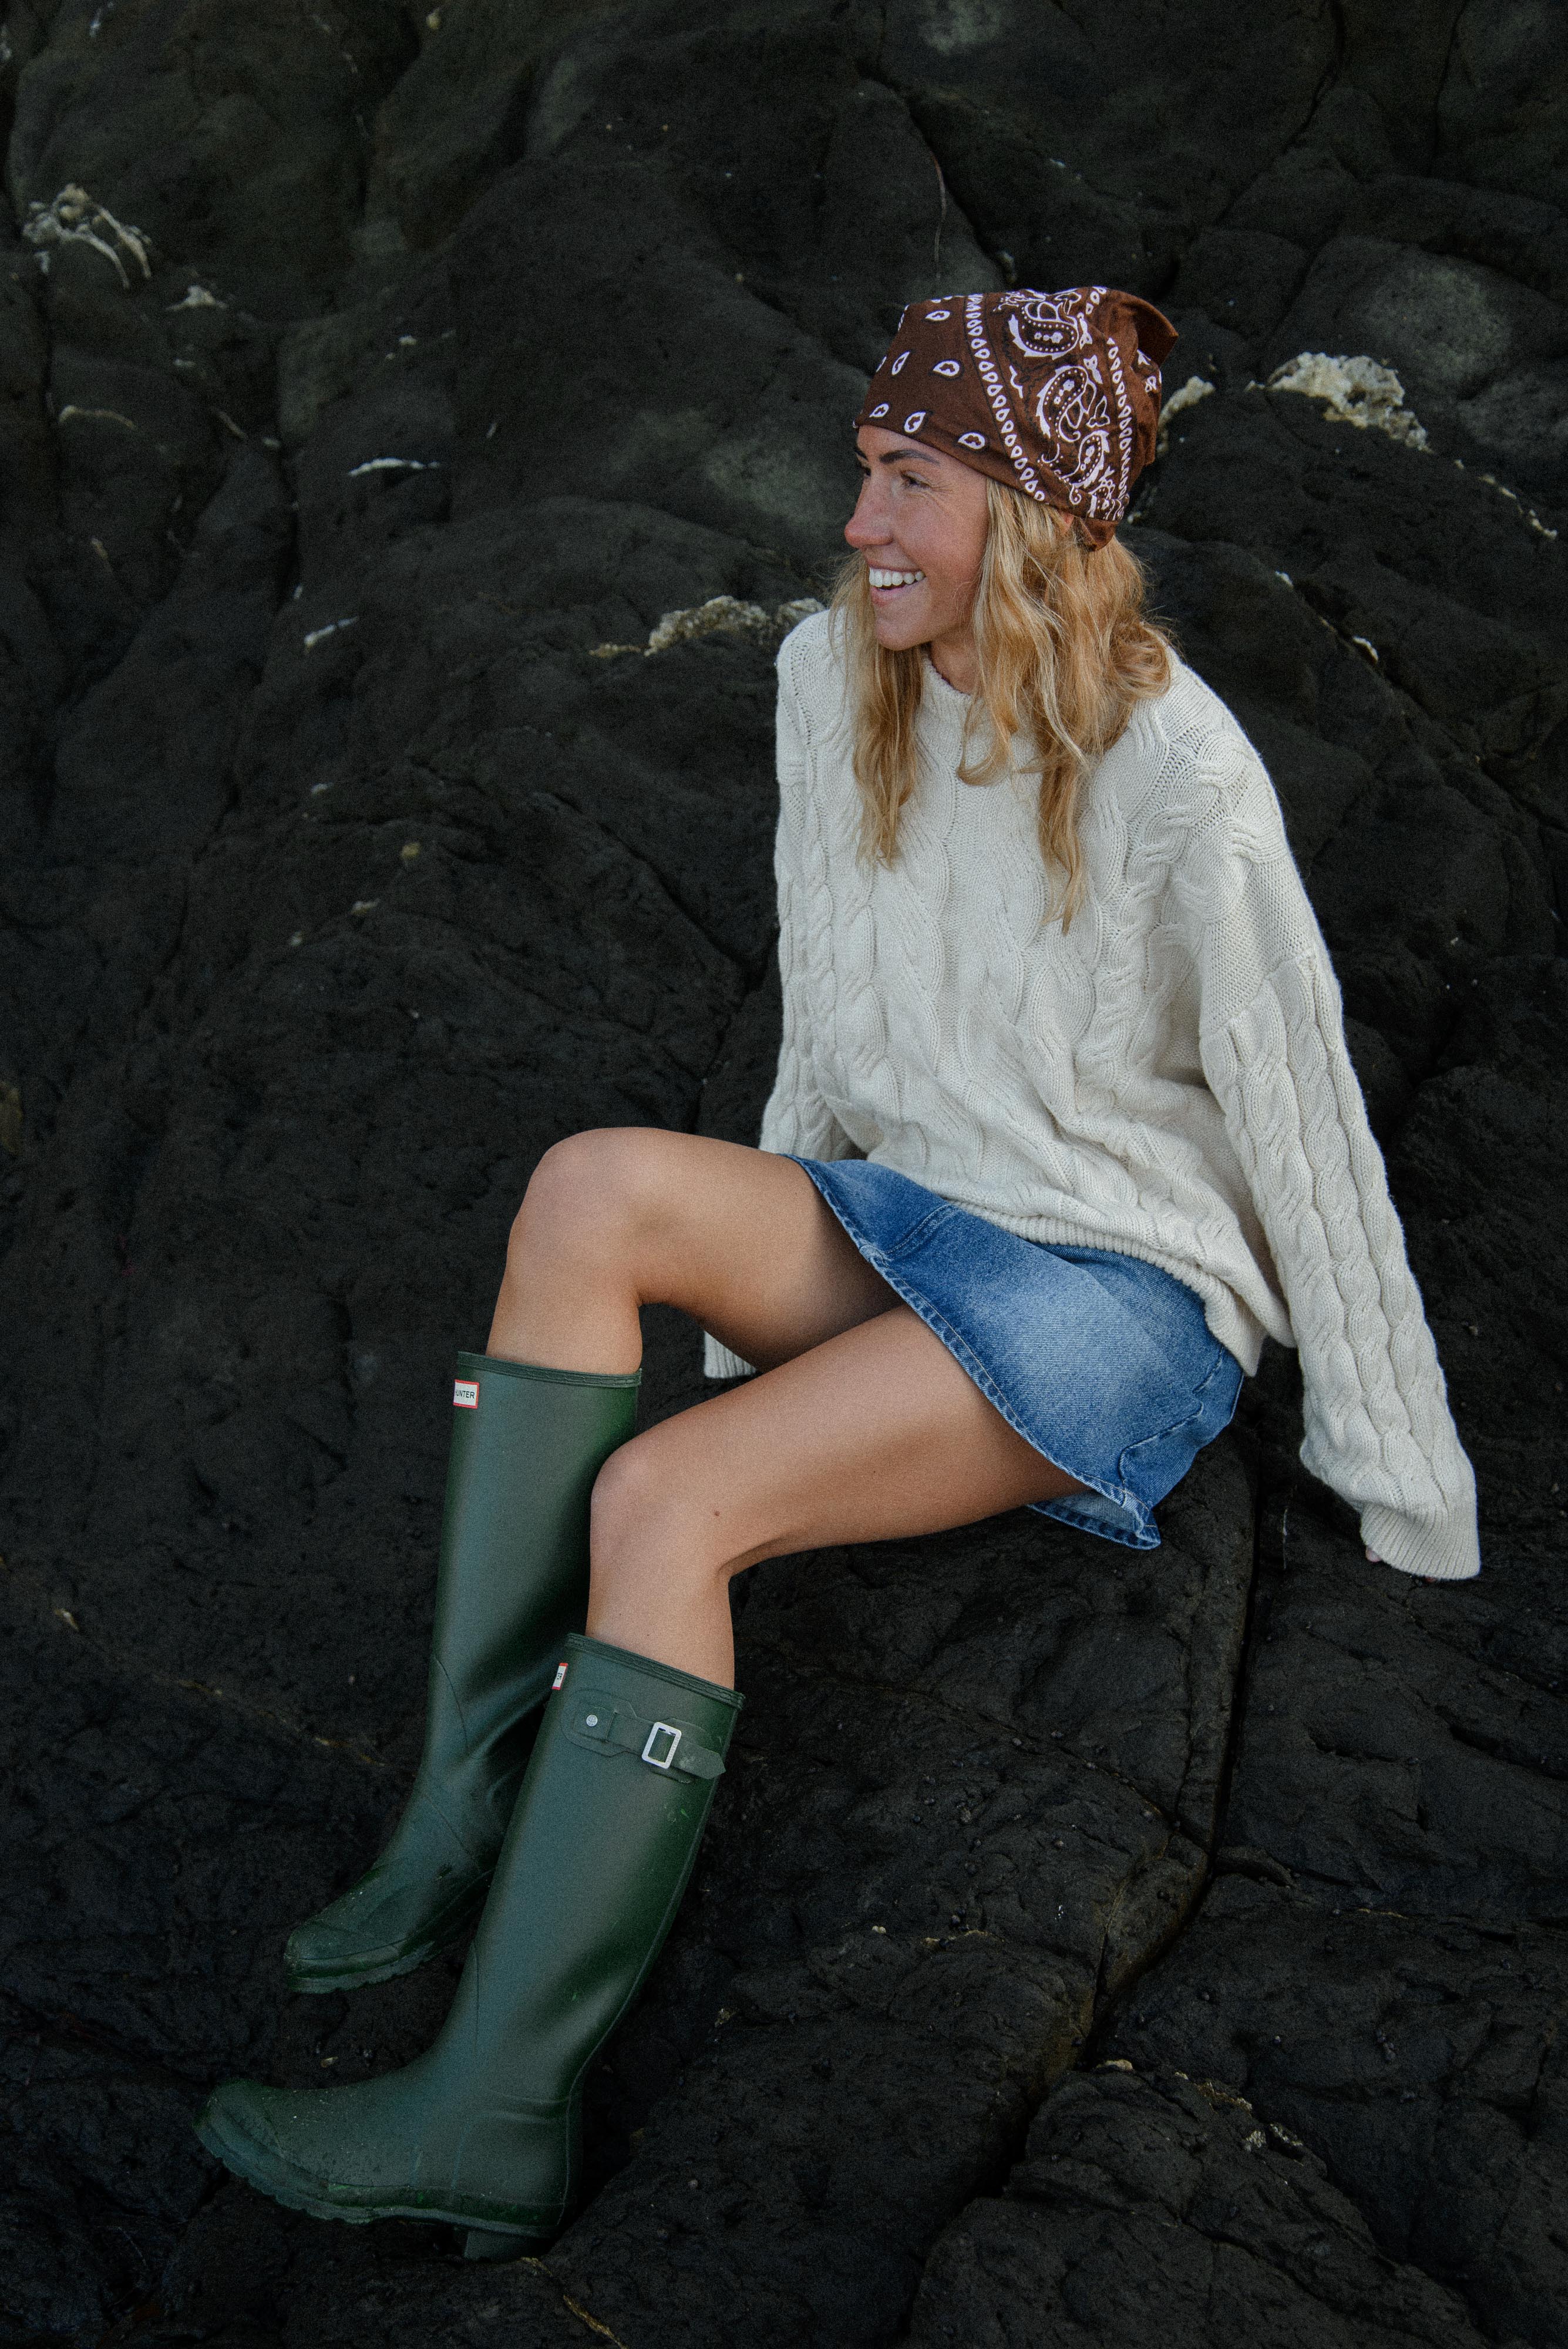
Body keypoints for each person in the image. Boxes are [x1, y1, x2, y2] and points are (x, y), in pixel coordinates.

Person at [195, 285, 1479, 2257]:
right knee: (590, 1191)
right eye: (867, 471)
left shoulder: (1181, 773)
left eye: (916, 483)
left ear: (1030, 519)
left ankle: (496, 2113)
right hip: (910, 1223)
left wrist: (1399, 1469)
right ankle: (467, 1799)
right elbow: (833, 1020)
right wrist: (759, 1296)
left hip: (1111, 1297)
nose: (864, 522)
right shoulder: (831, 676)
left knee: (666, 1500)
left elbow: (1302, 1114)